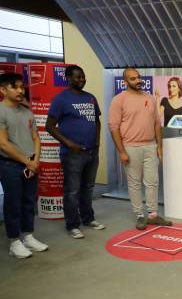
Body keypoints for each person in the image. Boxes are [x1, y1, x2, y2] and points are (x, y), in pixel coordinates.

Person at [109, 68, 172, 230]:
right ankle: (139, 215)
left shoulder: (150, 99)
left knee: (152, 181)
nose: (137, 80)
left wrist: (159, 146)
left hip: (150, 145)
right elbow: (114, 128)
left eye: (138, 77)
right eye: (132, 79)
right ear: (125, 82)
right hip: (130, 147)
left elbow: (157, 124)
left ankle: (152, 215)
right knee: (134, 183)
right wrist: (122, 151)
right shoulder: (118, 100)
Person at [46, 65, 105, 239]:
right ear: (68, 78)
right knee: (72, 191)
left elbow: (97, 121)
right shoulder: (61, 99)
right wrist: (70, 144)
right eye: (77, 77)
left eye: (83, 77)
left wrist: (97, 141)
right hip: (73, 153)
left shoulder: (90, 98)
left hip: (92, 151)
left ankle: (88, 218)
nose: (81, 80)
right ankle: (72, 225)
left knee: (88, 188)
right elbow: (49, 126)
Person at [0, 73, 47, 258]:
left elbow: (36, 138)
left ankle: (28, 236)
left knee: (29, 201)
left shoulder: (27, 111)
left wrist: (35, 160)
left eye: (22, 87)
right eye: (15, 87)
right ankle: (14, 242)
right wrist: (27, 161)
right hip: (10, 165)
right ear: (3, 90)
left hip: (30, 164)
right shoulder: (2, 111)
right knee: (13, 203)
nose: (21, 91)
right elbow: (3, 144)